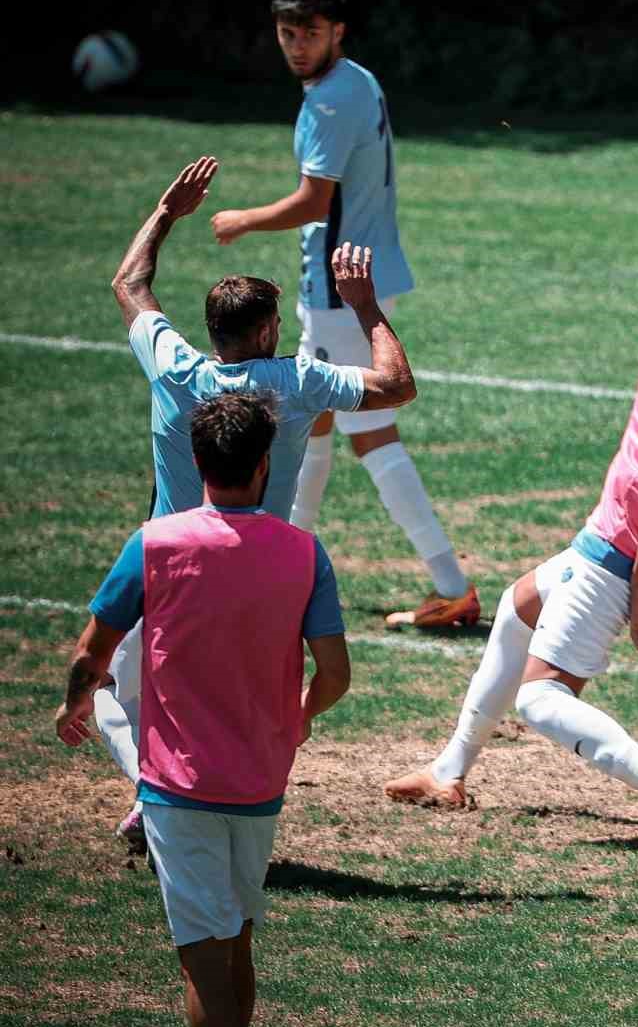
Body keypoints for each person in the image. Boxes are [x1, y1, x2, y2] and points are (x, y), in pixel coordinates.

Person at [384, 228, 638, 854]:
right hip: (637, 550)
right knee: (518, 605)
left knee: (542, 700)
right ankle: (448, 772)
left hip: (622, 553)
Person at [55, 393, 352, 1027]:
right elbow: (336, 675)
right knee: (238, 938)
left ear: (198, 466)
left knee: (201, 957)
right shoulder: (302, 551)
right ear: (263, 467)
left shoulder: (154, 543)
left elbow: (94, 650)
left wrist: (76, 699)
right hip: (261, 781)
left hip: (179, 787)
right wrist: (295, 717)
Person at [96, 159, 413, 857]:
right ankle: (192, 802)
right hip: (267, 572)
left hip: (174, 565)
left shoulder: (176, 366)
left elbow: (129, 283)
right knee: (245, 701)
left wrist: (165, 211)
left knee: (107, 695)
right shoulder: (297, 379)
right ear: (269, 330)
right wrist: (362, 305)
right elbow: (396, 385)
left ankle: (156, 793)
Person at [208, 0, 477, 632]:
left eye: (310, 33)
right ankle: (292, 571)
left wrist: (242, 218)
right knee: (320, 424)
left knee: (351, 427)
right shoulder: (357, 79)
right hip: (350, 278)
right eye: (287, 34)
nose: (298, 46)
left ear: (338, 30)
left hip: (339, 288)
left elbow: (313, 201)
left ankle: (445, 585)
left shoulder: (329, 101)